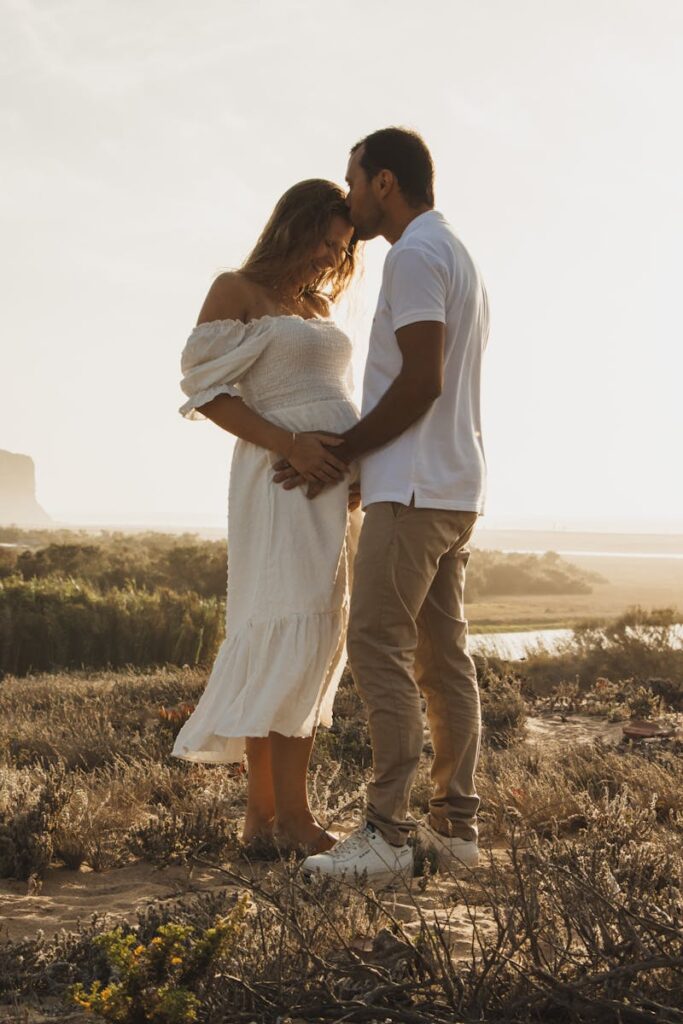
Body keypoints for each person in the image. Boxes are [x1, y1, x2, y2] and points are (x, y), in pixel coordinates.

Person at [274, 128, 490, 888]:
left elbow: (421, 378)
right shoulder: (454, 250)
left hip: (415, 491)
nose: (350, 193)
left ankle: (387, 833)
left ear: (386, 185)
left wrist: (347, 448)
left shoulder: (414, 256)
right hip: (451, 488)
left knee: (375, 647)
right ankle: (455, 827)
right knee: (441, 658)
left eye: (354, 179)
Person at [171, 179, 362, 856]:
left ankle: (263, 819)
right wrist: (290, 443)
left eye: (340, 249)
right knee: (284, 631)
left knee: (310, 642)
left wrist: (355, 468)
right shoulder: (238, 290)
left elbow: (335, 393)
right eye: (322, 242)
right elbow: (205, 391)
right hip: (280, 481)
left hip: (331, 493)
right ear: (292, 227)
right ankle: (292, 820)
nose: (328, 258)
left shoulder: (316, 303)